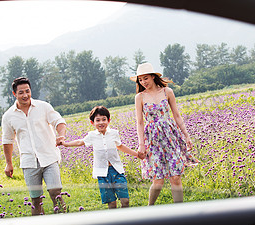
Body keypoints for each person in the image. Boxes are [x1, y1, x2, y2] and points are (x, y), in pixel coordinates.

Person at [132, 63, 198, 205]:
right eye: (141, 80)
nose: (144, 82)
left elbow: (177, 115)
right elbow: (140, 122)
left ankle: (179, 212)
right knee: (158, 180)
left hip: (170, 136)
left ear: (153, 77)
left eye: (146, 78)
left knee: (175, 177)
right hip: (152, 139)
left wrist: (186, 136)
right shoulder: (140, 97)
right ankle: (150, 208)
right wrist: (141, 144)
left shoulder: (167, 92)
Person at [2, 77, 67, 216]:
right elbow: (7, 140)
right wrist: (9, 164)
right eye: (21, 92)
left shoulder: (43, 107)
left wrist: (61, 135)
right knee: (36, 199)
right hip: (29, 162)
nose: (25, 95)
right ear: (14, 94)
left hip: (49, 157)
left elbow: (59, 121)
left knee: (55, 192)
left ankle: (64, 224)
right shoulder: (8, 116)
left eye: (27, 91)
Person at [62, 106, 142, 209]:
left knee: (125, 201)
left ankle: (124, 221)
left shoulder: (114, 133)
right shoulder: (92, 136)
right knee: (111, 203)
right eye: (98, 120)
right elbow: (80, 142)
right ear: (92, 123)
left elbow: (120, 146)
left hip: (116, 170)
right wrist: (66, 144)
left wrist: (136, 154)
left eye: (104, 119)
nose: (101, 123)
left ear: (108, 120)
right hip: (102, 173)